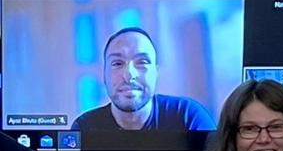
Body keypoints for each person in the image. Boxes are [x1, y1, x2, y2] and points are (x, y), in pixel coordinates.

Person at [70, 27, 216, 136]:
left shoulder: (188, 116)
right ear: (104, 74)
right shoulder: (84, 126)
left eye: (142, 62)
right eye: (117, 63)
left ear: (156, 72)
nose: (129, 75)